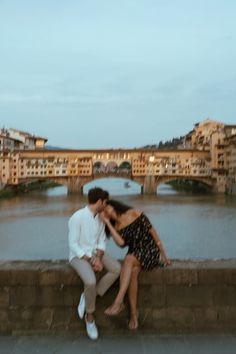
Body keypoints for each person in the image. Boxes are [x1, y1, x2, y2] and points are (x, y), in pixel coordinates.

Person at [100, 199, 170, 331]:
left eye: (107, 207)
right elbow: (121, 244)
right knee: (132, 272)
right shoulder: (115, 227)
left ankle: (118, 302)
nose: (106, 210)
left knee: (128, 260)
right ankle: (133, 316)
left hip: (150, 250)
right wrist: (108, 223)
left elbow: (153, 233)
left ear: (114, 205)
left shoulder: (134, 213)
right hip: (134, 255)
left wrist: (163, 255)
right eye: (103, 211)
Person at [68, 188, 121, 340]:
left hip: (94, 254)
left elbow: (102, 241)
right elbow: (73, 244)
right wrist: (91, 260)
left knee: (117, 269)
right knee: (90, 281)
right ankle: (90, 318)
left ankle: (87, 296)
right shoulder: (77, 217)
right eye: (105, 202)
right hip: (78, 256)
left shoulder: (100, 218)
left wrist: (98, 257)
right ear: (99, 202)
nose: (105, 205)